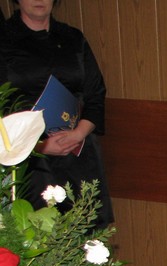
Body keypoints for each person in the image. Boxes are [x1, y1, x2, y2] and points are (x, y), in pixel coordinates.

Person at [0, 0, 113, 229]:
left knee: (86, 235)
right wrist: (39, 146)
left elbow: (95, 93)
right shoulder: (3, 39)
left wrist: (79, 133)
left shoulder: (73, 38)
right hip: (26, 162)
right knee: (37, 235)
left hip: (78, 152)